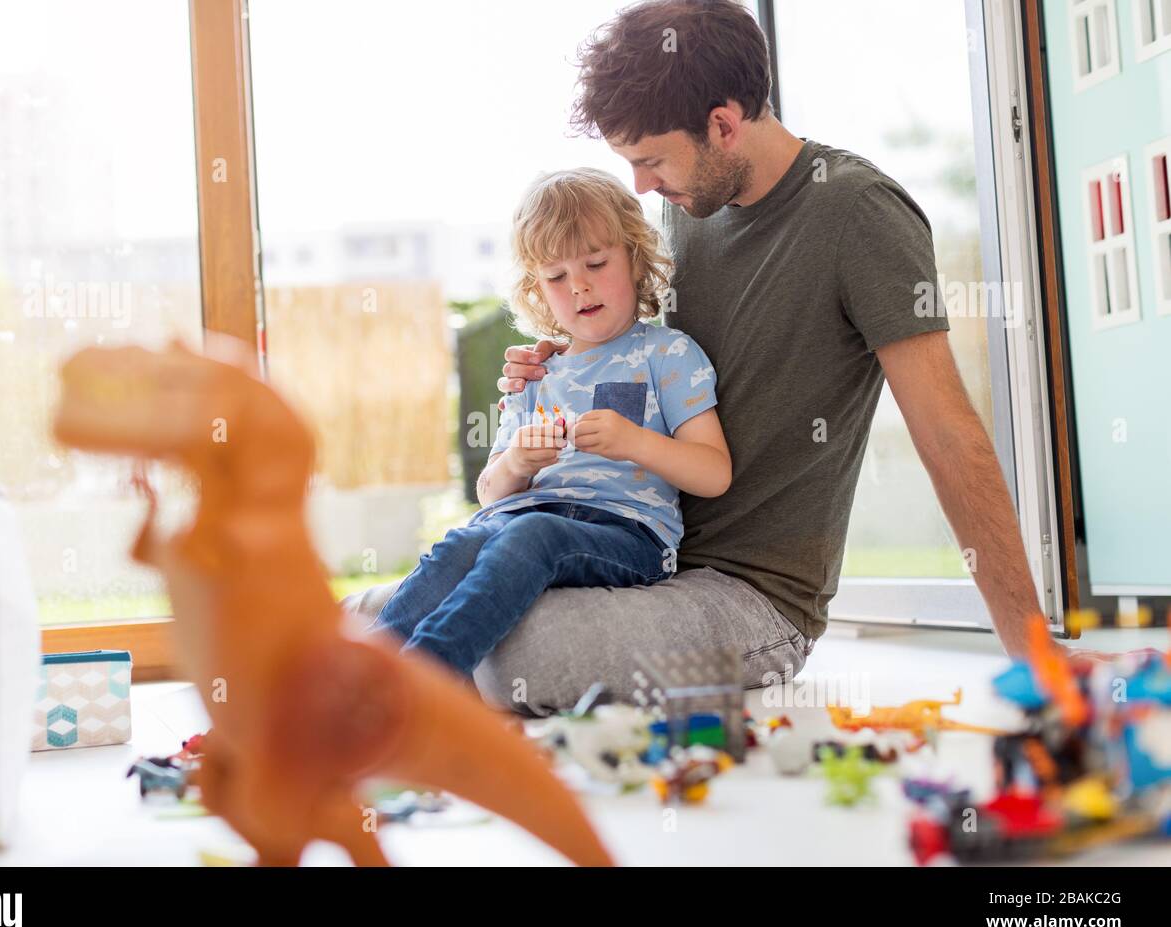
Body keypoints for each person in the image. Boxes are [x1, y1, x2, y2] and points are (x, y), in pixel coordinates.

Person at [348, 0, 1043, 714]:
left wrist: (1035, 655)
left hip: (748, 597)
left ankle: (385, 664)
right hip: (626, 556)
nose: (642, 186)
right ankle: (361, 652)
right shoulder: (692, 203)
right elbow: (638, 346)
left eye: (649, 160)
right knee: (396, 610)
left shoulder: (858, 214)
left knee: (514, 657)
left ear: (722, 124)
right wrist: (558, 360)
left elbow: (948, 433)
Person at [368, 168, 730, 677]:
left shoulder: (668, 353)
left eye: (596, 263)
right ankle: (360, 672)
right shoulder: (536, 371)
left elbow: (714, 473)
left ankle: (423, 682)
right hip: (522, 517)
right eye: (557, 276)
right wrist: (517, 459)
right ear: (537, 289)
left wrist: (635, 442)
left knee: (531, 534)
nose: (579, 286)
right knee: (460, 544)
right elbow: (492, 494)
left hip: (628, 535)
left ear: (634, 257)